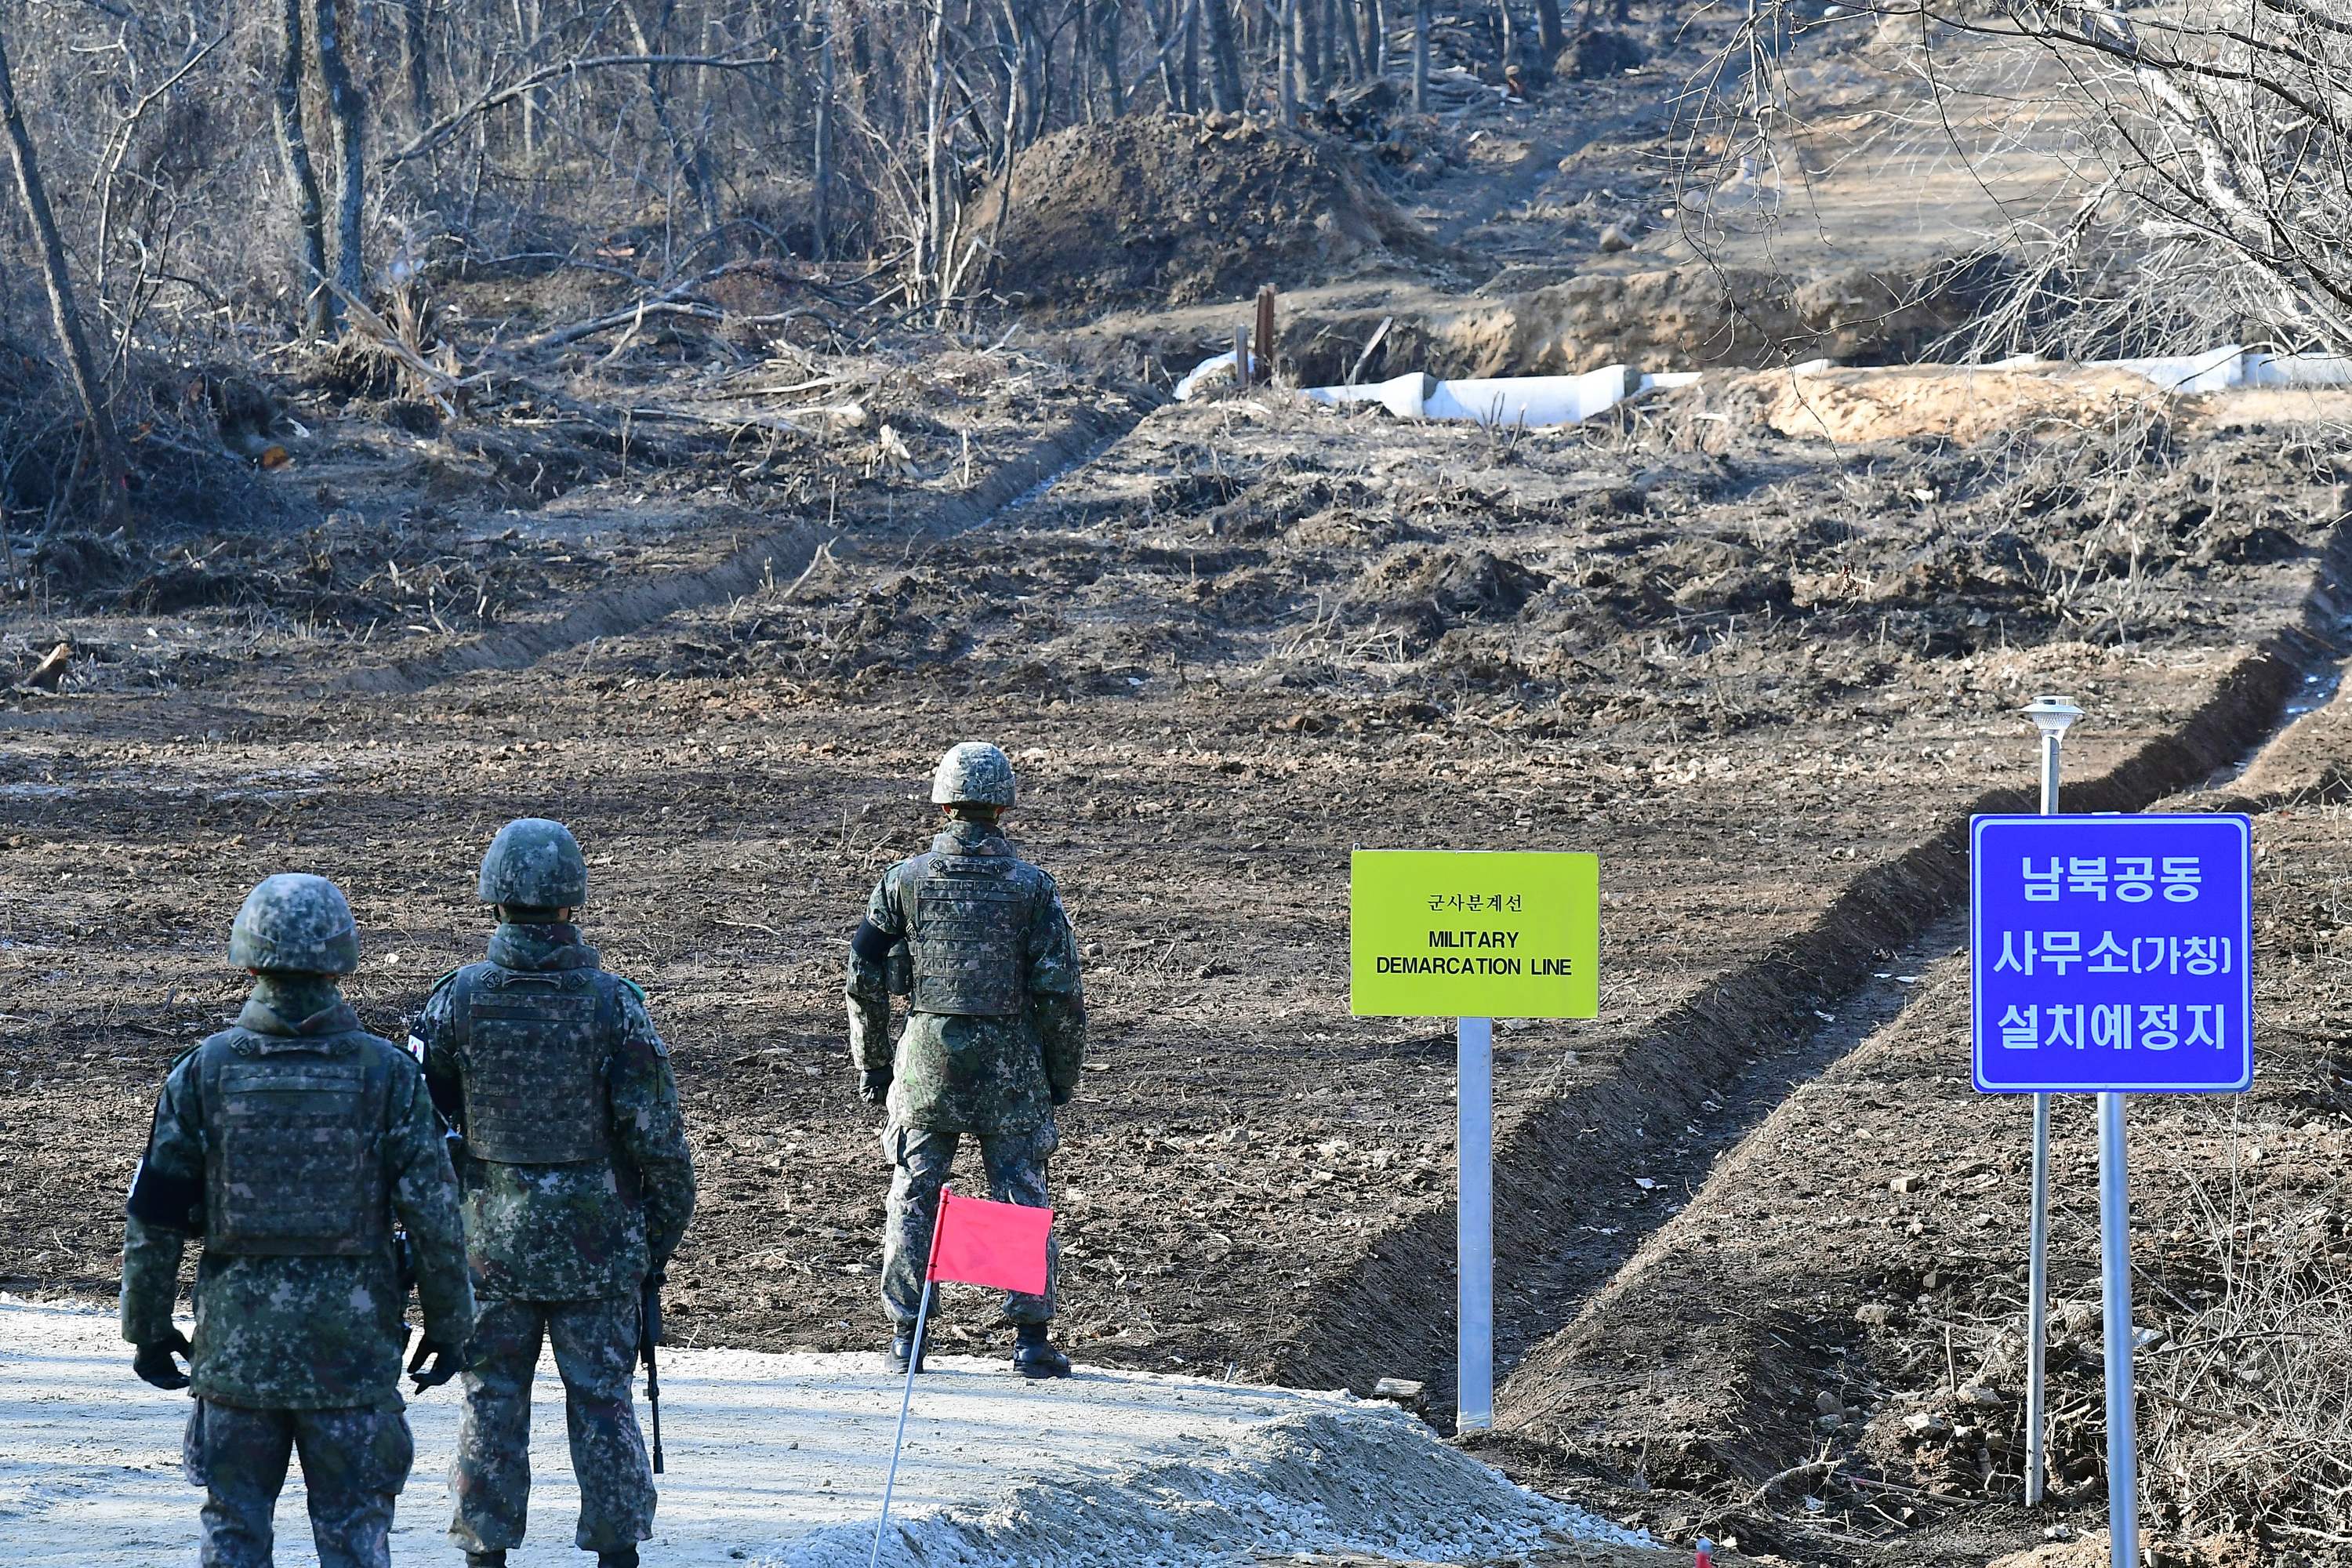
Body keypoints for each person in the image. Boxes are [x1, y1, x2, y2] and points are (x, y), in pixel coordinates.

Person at [121, 873, 475, 1568]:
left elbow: (155, 1216)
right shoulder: (389, 1077)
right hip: (351, 1360)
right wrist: (450, 1326)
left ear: (248, 959)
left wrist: (149, 1329)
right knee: (354, 1536)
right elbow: (435, 1217)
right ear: (342, 959)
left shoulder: (203, 1073)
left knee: (233, 1531)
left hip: (236, 1359)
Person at [414, 818, 697, 1568]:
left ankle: (484, 1547)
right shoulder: (614, 1005)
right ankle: (614, 1551)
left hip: (490, 1246)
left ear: (493, 900)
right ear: (572, 901)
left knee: (490, 1401)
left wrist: (446, 1239)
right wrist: (650, 1249)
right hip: (598, 1250)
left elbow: (423, 1132)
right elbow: (662, 1148)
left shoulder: (455, 1001)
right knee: (603, 1400)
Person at [846, 742, 1086, 1377]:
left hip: (926, 1066)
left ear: (945, 802)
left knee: (916, 1190)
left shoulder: (902, 881)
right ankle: (1030, 1341)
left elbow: (863, 972)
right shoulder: (1033, 889)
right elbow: (1060, 992)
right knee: (1018, 1194)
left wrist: (872, 1061)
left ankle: (909, 1335)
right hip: (1011, 1069)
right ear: (1003, 806)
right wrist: (1059, 1075)